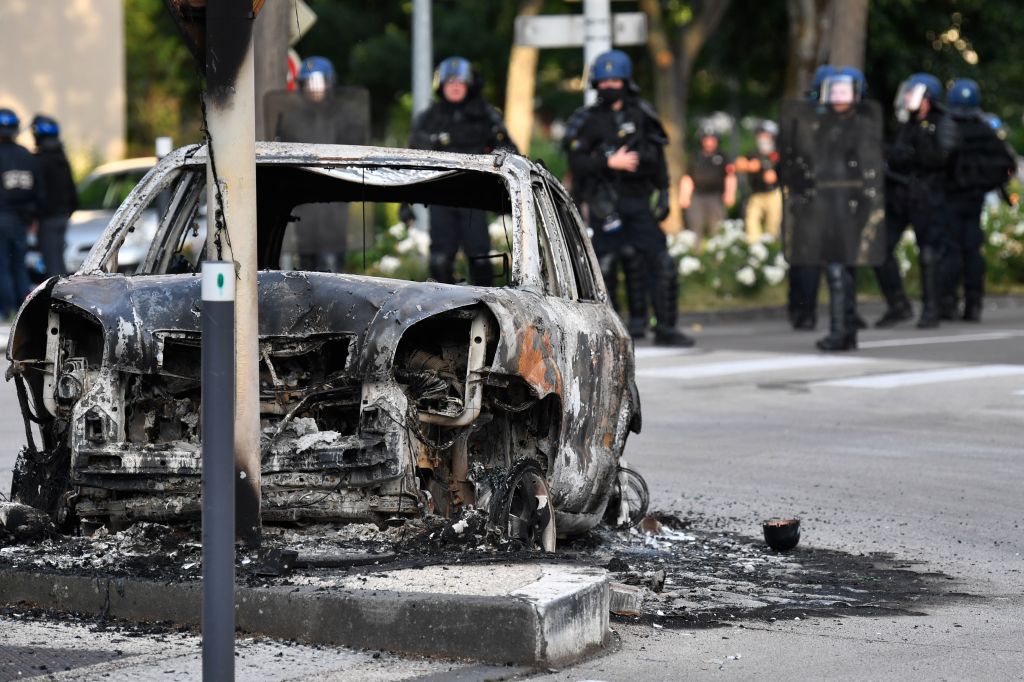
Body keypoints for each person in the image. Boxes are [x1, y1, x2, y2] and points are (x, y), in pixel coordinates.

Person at [563, 50, 692, 347]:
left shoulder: (642, 114)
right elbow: (576, 161)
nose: (609, 85)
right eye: (604, 80)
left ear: (625, 81)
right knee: (606, 264)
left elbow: (658, 156)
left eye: (615, 80)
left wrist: (663, 191)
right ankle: (611, 330)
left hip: (637, 200)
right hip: (603, 203)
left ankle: (666, 328)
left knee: (661, 261)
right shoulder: (586, 120)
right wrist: (609, 163)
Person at [779, 67, 886, 351]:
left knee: (840, 268)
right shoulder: (822, 125)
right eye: (833, 92)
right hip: (824, 204)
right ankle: (846, 330)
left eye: (843, 92)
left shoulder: (861, 127)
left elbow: (869, 169)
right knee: (838, 268)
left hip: (847, 206)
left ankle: (841, 332)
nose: (837, 98)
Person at [410, 56, 517, 286]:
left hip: (474, 198)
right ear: (441, 85)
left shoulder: (486, 116)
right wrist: (405, 204)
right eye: (450, 82)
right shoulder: (429, 118)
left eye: (460, 82)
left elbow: (509, 151)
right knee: (440, 261)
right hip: (441, 196)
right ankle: (441, 313)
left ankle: (486, 313)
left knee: (480, 261)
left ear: (469, 85)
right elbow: (413, 159)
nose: (455, 86)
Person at [940, 78, 1017, 322]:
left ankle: (948, 301)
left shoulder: (948, 127)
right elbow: (1007, 164)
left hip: (951, 198)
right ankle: (973, 303)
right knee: (972, 250)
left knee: (951, 251)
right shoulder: (986, 131)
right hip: (975, 199)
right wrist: (987, 184)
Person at [887, 73, 958, 328]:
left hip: (929, 197)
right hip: (902, 197)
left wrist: (912, 153)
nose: (906, 98)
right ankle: (897, 304)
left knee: (929, 253)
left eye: (912, 93)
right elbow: (896, 156)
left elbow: (940, 157)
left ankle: (932, 309)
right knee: (881, 247)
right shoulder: (907, 124)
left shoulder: (942, 123)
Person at [273, 56, 354, 272]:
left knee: (331, 263)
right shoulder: (291, 119)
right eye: (309, 83)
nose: (314, 88)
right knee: (307, 264)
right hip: (304, 201)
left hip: (334, 198)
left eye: (319, 82)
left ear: (329, 83)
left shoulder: (344, 117)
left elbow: (355, 155)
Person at [786, 65, 833, 331]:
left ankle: (801, 310)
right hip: (813, 193)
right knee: (810, 256)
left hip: (813, 193)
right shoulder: (811, 117)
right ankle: (804, 311)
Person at [0, 108, 44, 319]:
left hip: (2, 217)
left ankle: (6, 309)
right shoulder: (27, 157)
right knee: (19, 265)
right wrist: (33, 217)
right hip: (22, 221)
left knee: (2, 265)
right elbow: (39, 191)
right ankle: (23, 311)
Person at [31, 115, 77, 277]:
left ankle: (57, 299)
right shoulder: (61, 157)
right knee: (58, 260)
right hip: (62, 215)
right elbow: (71, 189)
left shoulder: (39, 160)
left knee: (52, 264)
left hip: (48, 218)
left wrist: (36, 215)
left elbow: (39, 192)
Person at [678, 127, 736, 240]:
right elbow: (688, 177)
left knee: (717, 228)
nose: (709, 142)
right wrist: (684, 196)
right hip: (697, 196)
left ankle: (717, 253)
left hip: (716, 196)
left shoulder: (723, 156)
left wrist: (730, 194)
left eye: (712, 139)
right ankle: (695, 254)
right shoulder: (696, 156)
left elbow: (730, 176)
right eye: (706, 139)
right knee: (695, 225)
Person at [736, 120, 782, 243]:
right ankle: (754, 247)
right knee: (751, 220)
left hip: (773, 194)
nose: (762, 138)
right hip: (756, 193)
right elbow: (739, 163)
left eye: (766, 135)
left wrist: (776, 175)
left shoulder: (777, 153)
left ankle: (771, 247)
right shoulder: (753, 153)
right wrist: (748, 166)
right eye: (760, 134)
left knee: (773, 224)